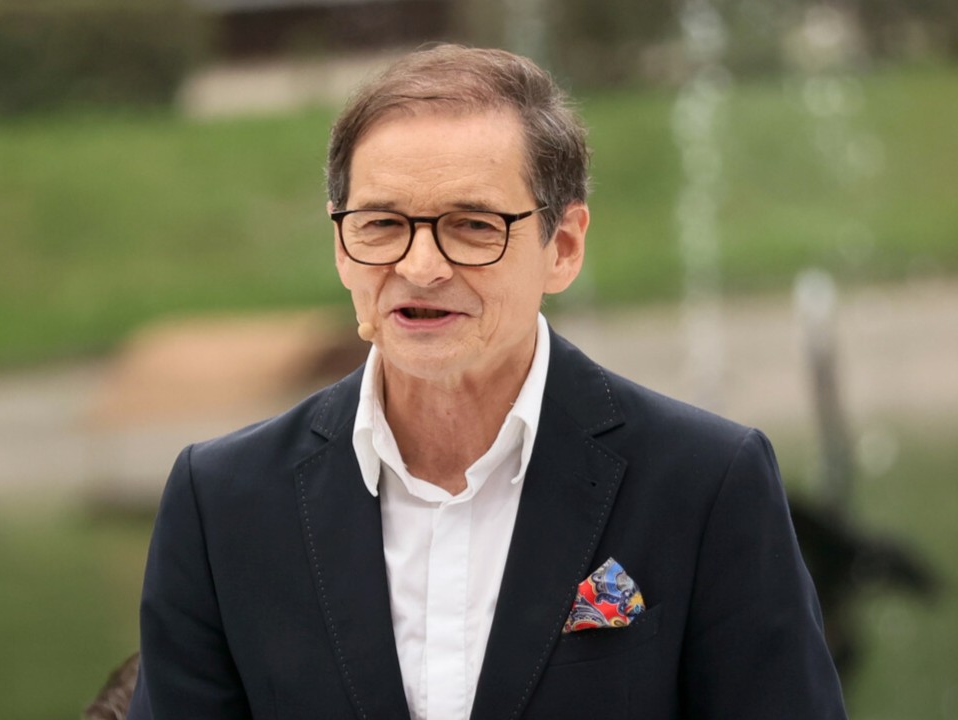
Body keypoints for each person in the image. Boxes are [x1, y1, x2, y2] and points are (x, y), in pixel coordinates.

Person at [127, 44, 846, 719]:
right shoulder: (220, 502)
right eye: (381, 224)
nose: (420, 267)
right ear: (341, 245)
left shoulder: (705, 482)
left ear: (563, 248)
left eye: (472, 225)